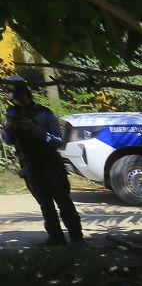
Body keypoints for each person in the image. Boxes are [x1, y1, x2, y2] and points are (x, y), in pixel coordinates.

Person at [2, 77, 83, 245]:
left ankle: (76, 236)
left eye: (21, 97)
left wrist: (35, 130)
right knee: (45, 203)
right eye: (15, 99)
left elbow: (58, 141)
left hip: (50, 162)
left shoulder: (44, 113)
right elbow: (8, 140)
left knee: (63, 200)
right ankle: (55, 237)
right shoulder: (12, 114)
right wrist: (8, 129)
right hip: (29, 164)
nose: (18, 102)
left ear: (28, 96)